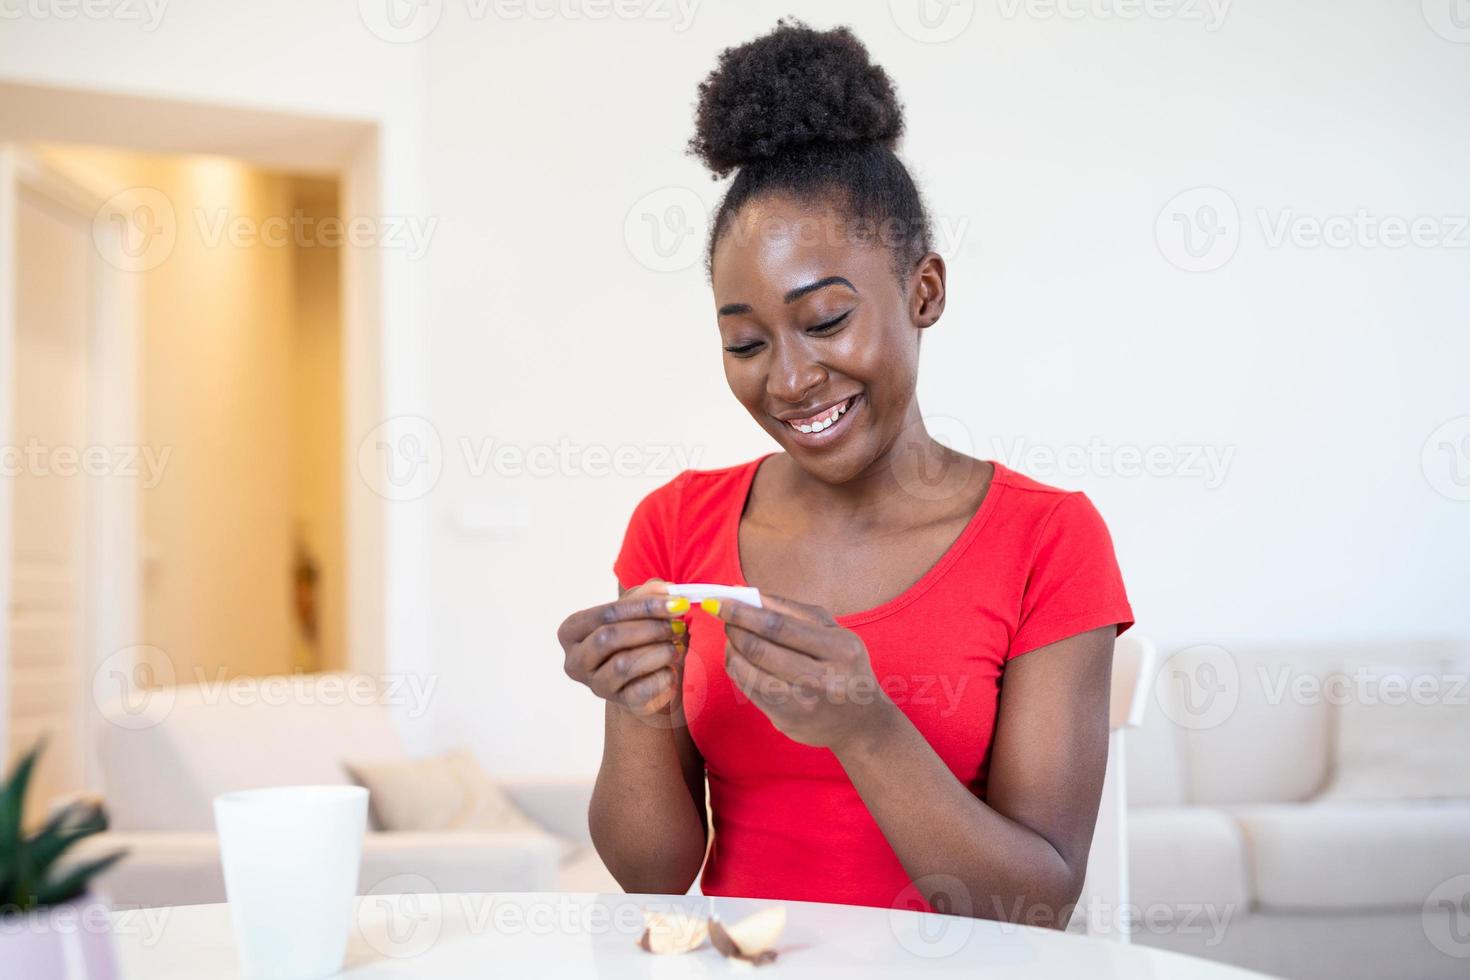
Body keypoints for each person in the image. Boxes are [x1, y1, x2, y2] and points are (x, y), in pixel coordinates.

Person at [556, 19, 1133, 926]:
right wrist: (637, 706)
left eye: (825, 320)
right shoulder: (674, 525)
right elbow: (652, 878)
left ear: (925, 291)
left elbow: (1037, 906)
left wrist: (866, 729)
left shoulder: (1047, 539)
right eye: (745, 341)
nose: (787, 379)